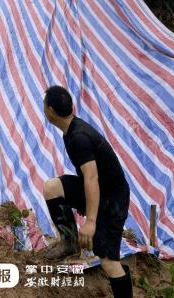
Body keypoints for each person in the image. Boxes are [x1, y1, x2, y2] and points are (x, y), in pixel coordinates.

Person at [42, 86, 133, 298]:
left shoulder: (79, 137)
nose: (44, 109)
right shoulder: (70, 130)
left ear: (52, 111)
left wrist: (91, 222)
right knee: (52, 188)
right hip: (97, 191)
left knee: (109, 262)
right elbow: (90, 180)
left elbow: (92, 178)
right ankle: (69, 242)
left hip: (112, 201)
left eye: (44, 106)